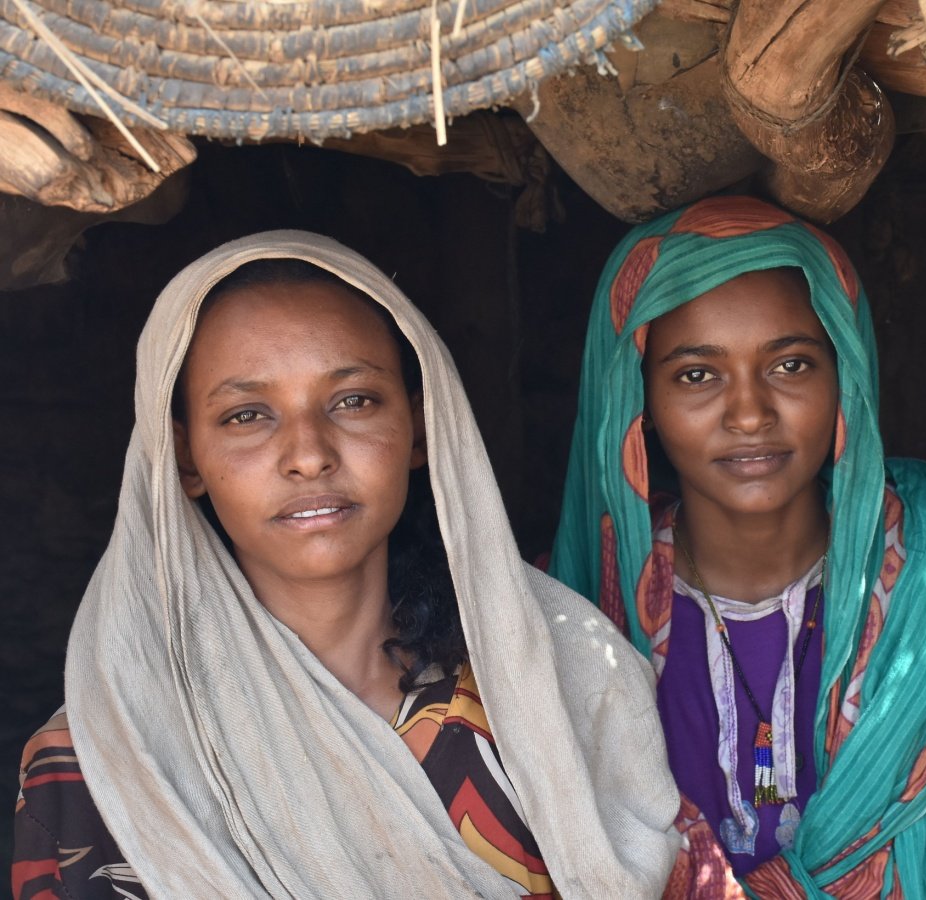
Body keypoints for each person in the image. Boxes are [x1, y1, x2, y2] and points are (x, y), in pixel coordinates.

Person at [12, 232, 679, 899]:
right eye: (247, 415)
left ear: (420, 429)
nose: (308, 453)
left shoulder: (554, 689)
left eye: (353, 400)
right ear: (184, 458)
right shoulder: (107, 755)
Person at [549, 196, 926, 897]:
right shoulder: (579, 621)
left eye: (790, 366)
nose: (749, 413)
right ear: (638, 404)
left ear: (847, 376)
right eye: (697, 374)